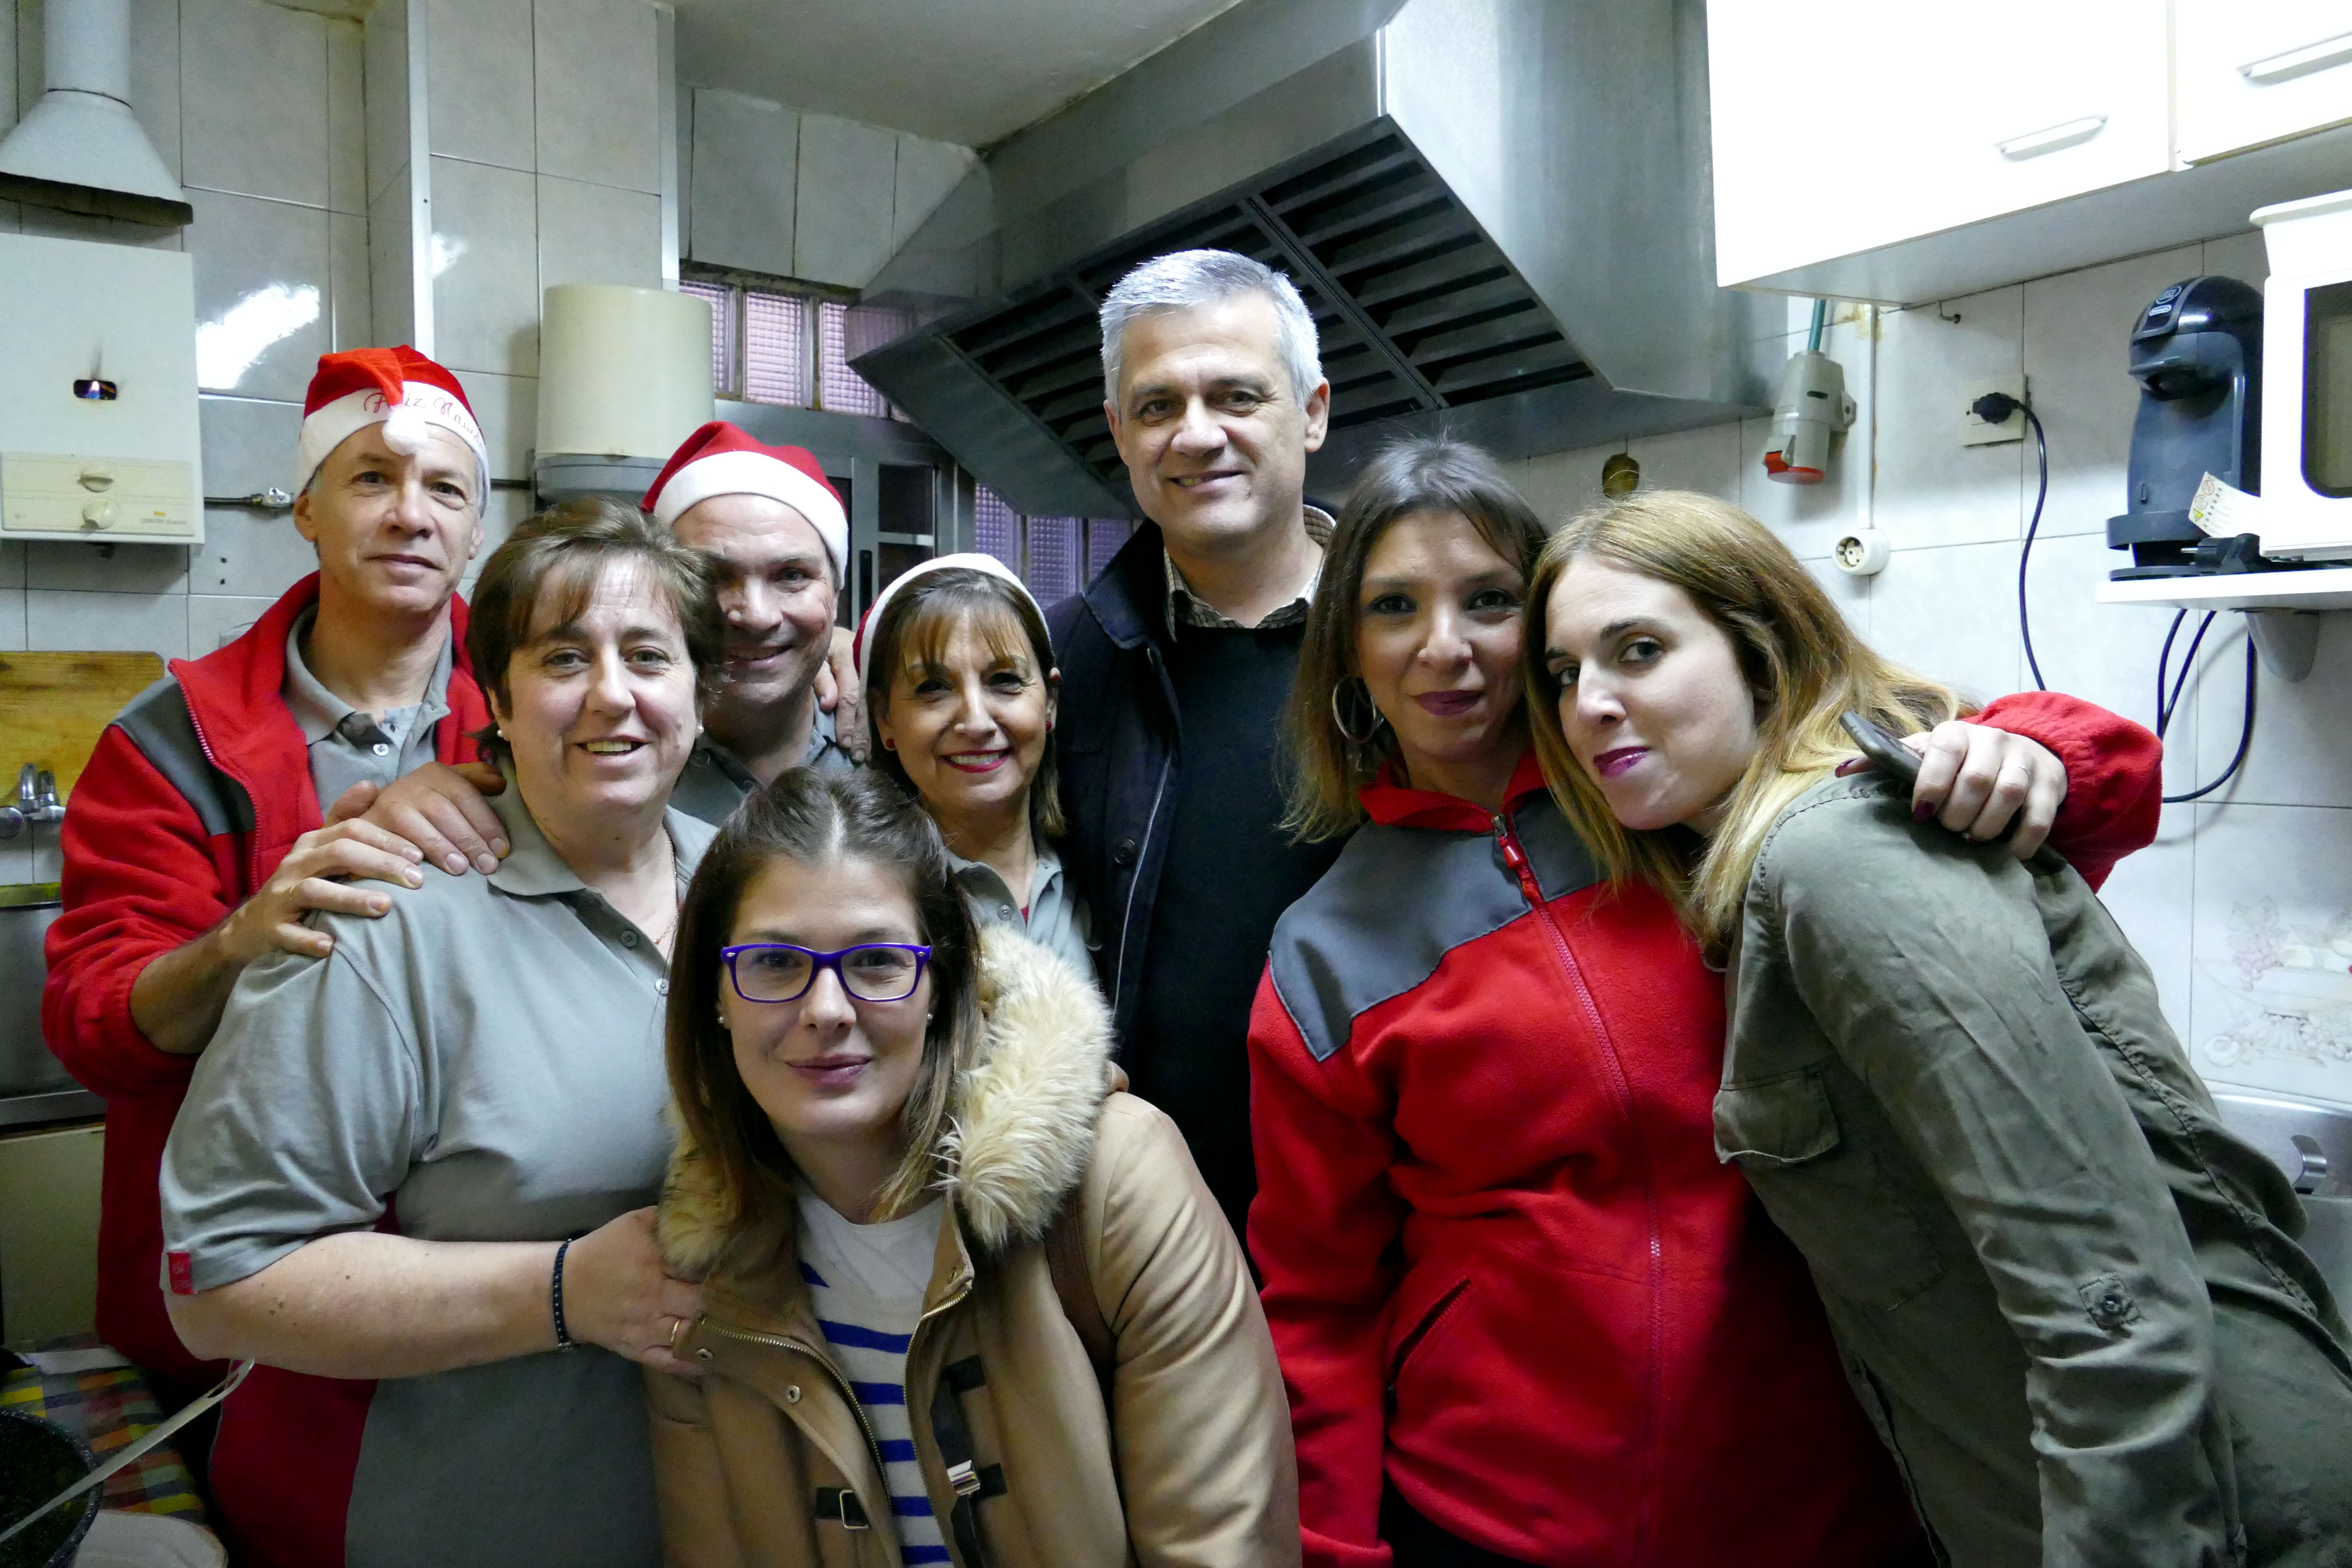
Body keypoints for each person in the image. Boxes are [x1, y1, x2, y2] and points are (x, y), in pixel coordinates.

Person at [1055, 249, 2116, 1242]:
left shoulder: (1620, 772)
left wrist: (2031, 748)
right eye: (1158, 405)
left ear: (1312, 410)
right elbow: (979, 895)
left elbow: (1842, 736)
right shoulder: (1055, 670)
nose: (1196, 434)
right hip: (1179, 1226)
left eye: (1238, 395)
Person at [1248, 438, 2172, 1567]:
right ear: (1346, 646)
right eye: (1395, 606)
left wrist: (2034, 752)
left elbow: (2084, 793)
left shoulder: (1688, 806)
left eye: (1489, 599)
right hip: (1493, 1523)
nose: (1447, 646)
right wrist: (1333, 1551)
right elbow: (1319, 1299)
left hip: (1830, 1504)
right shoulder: (1327, 951)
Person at [1526, 488, 2352, 1567]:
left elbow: (2105, 1294)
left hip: (2227, 1511)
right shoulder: (1753, 878)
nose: (1590, 703)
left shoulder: (1838, 858)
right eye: (1563, 673)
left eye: (1638, 650)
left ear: (1760, 655)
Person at [159, 499, 720, 1568]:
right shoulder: (379, 921)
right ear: (497, 699)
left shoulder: (757, 895)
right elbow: (224, 1283)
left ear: (699, 693)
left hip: (720, 1521)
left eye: (650, 655)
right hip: (468, 1522)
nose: (613, 693)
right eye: (564, 657)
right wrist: (564, 1290)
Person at [646, 769, 1297, 1566]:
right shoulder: (696, 1274)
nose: (826, 1009)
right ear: (714, 994)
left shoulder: (1118, 1184)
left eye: (877, 961)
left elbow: (1223, 1546)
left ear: (943, 981)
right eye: (775, 962)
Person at [42, 345, 497, 1399]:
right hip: (243, 1306)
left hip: (482, 1275)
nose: (410, 515)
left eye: (445, 490)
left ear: (477, 531)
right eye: (372, 478)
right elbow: (92, 1028)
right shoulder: (171, 743)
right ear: (306, 510)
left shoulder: (546, 716)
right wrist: (240, 941)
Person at [364, 420, 859, 866]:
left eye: (793, 576)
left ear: (836, 594)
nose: (757, 615)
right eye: (714, 576)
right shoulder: (574, 764)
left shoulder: (884, 734)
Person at [855, 552, 1092, 977]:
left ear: (1050, 703)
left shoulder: (1109, 876)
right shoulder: (858, 902)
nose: (977, 722)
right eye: (933, 688)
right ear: (884, 717)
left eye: (1005, 681)